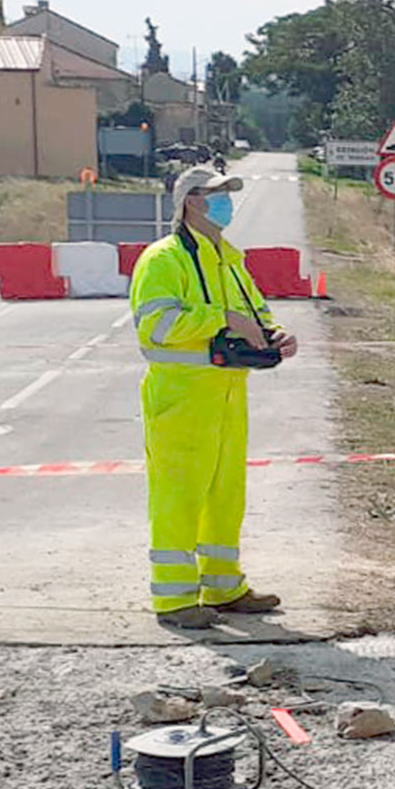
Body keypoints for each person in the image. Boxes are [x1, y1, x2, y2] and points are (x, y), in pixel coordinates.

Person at [127, 165, 295, 629]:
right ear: (190, 202)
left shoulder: (227, 258)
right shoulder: (163, 260)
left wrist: (275, 334)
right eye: (216, 194)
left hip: (227, 391)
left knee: (225, 494)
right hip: (181, 399)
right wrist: (219, 319)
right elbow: (155, 328)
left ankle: (223, 586)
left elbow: (256, 311)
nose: (224, 202)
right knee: (179, 494)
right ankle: (175, 600)